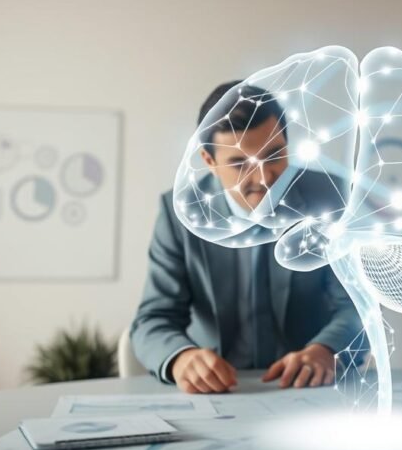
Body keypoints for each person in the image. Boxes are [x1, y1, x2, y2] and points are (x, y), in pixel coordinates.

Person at [131, 81, 360, 394]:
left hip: (309, 389)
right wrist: (182, 359)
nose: (263, 178)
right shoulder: (179, 214)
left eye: (274, 155)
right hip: (217, 392)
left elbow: (357, 304)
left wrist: (326, 350)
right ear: (209, 161)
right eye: (240, 164)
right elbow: (153, 320)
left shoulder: (331, 197)